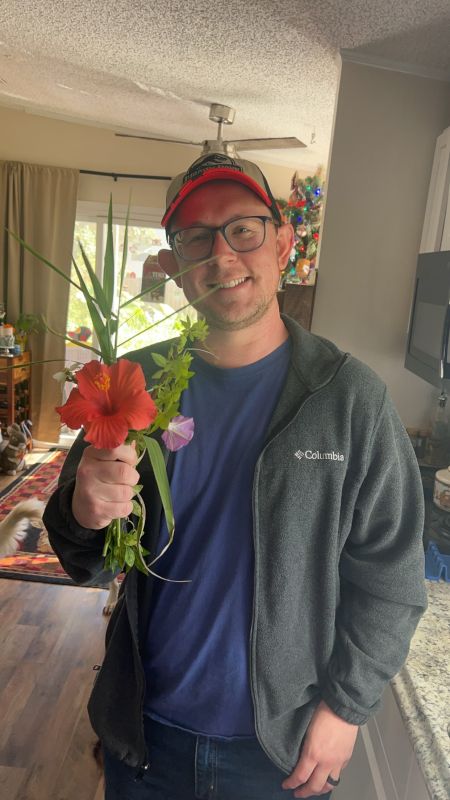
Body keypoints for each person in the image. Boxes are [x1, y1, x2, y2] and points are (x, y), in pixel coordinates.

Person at [43, 152, 427, 800]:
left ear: (283, 242)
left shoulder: (348, 399)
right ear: (173, 264)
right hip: (145, 739)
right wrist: (83, 512)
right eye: (195, 235)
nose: (220, 255)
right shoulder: (132, 381)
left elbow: (391, 577)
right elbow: (86, 559)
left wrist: (346, 708)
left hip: (280, 752)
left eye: (242, 228)